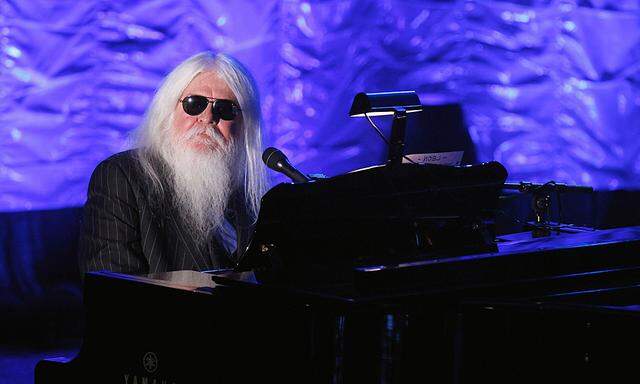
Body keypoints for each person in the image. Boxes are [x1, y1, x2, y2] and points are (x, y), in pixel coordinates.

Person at [78, 51, 268, 275]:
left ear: (245, 125)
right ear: (168, 111)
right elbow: (114, 293)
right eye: (194, 104)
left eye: (225, 109)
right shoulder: (121, 177)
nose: (207, 118)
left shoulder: (250, 197)